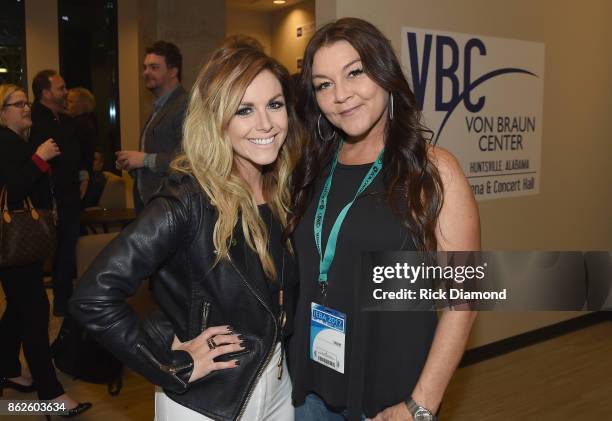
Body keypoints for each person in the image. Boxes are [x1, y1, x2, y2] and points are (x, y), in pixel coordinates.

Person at [71, 43, 301, 420]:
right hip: (207, 401)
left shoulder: (282, 189)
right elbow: (93, 297)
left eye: (274, 105)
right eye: (244, 110)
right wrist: (167, 361)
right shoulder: (186, 201)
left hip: (277, 386)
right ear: (217, 120)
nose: (266, 124)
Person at [286, 18, 480, 421]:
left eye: (354, 72)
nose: (341, 95)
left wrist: (421, 405)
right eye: (324, 84)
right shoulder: (313, 167)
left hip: (392, 403)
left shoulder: (432, 171)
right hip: (309, 392)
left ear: (384, 73)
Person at [0, 84, 91, 416]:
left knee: (18, 308)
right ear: (2, 112)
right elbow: (15, 189)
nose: (26, 108)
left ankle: (7, 368)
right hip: (14, 241)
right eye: (18, 104)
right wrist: (39, 158)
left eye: (26, 102)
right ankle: (50, 394)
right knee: (35, 312)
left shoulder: (14, 141)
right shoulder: (5, 141)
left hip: (15, 244)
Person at [30, 69, 86, 316]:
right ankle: (37, 306)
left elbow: (77, 152)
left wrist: (84, 172)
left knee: (67, 252)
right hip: (44, 199)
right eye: (60, 88)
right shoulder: (33, 119)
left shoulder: (66, 119)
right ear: (45, 93)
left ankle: (63, 304)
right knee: (41, 253)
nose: (66, 92)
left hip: (70, 197)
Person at [115, 40, 187, 213]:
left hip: (170, 206)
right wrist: (133, 163)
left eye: (154, 67)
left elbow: (188, 160)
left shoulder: (185, 104)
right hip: (151, 206)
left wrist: (145, 160)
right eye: (145, 67)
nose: (146, 72)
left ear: (173, 71)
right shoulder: (160, 106)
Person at [66, 87, 98, 200]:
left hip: (81, 177)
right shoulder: (87, 122)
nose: (66, 104)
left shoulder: (79, 124)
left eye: (70, 101)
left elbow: (79, 154)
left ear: (80, 105)